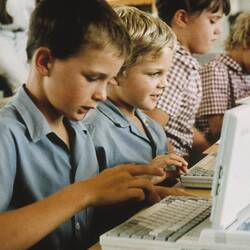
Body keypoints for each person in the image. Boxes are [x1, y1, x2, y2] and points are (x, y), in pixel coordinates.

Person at [0, 0, 177, 249]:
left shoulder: (79, 130)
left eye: (108, 81)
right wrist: (86, 192)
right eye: (93, 78)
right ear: (45, 62)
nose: (102, 95)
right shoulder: (6, 134)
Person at [83, 6, 188, 238]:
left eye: (166, 74)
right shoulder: (93, 128)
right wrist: (143, 181)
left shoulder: (149, 124)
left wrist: (166, 182)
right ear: (116, 72)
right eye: (153, 74)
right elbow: (85, 211)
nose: (165, 84)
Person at [147, 0, 231, 163]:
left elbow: (180, 125)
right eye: (212, 21)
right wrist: (175, 166)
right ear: (182, 18)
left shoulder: (177, 58)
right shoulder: (179, 61)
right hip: (168, 167)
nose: (218, 30)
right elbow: (152, 125)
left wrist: (211, 149)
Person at [196, 11, 250, 143]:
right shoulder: (216, 70)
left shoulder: (246, 72)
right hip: (213, 150)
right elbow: (218, 131)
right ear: (246, 41)